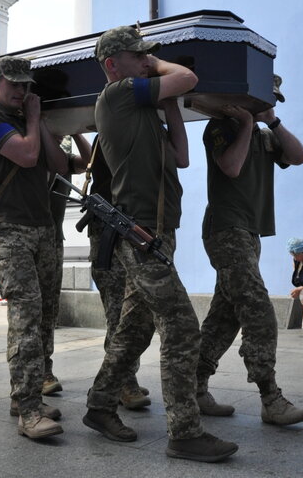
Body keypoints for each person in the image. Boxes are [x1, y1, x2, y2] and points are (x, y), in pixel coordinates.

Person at [83, 25, 237, 463]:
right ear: (114, 65)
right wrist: (161, 72)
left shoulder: (141, 108)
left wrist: (167, 104)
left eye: (148, 56)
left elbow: (182, 156)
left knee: (135, 329)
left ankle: (98, 406)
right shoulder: (118, 94)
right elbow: (187, 78)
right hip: (138, 232)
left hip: (157, 232)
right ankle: (184, 432)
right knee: (182, 325)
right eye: (139, 56)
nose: (147, 61)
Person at [195, 83, 303, 427]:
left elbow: (299, 156)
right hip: (225, 229)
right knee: (258, 307)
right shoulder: (220, 126)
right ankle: (270, 398)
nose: (270, 103)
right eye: (265, 98)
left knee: (225, 314)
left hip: (249, 232)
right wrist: (246, 124)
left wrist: (272, 123)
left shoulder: (265, 136)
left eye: (273, 100)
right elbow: (230, 167)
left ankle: (193, 386)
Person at [0, 56, 67, 439]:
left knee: (44, 319)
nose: (22, 91)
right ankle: (28, 412)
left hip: (44, 228)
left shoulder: (28, 121)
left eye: (27, 85)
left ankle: (25, 395)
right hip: (10, 230)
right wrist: (32, 121)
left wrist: (41, 123)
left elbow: (59, 164)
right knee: (26, 320)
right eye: (15, 84)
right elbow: (26, 156)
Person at [86, 140, 151, 410]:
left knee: (133, 313)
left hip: (130, 232)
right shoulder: (113, 131)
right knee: (120, 315)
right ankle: (120, 383)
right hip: (110, 233)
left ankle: (124, 376)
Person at [42, 133, 90, 397]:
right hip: (26, 236)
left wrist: (76, 131)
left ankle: (44, 368)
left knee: (49, 309)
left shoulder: (60, 153)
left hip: (53, 238)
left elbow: (87, 161)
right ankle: (34, 372)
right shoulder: (31, 146)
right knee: (30, 312)